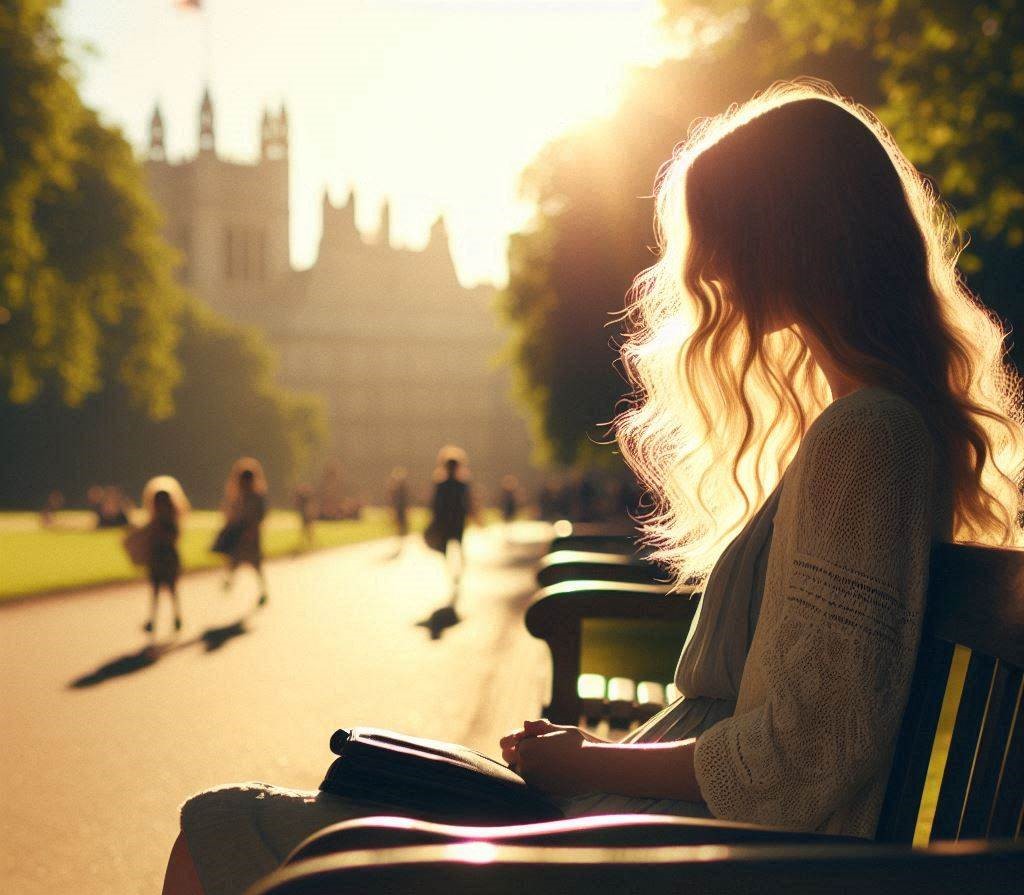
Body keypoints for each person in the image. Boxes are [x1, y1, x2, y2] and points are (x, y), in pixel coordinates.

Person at [161, 81, 1024, 895]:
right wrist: (583, 762)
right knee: (315, 798)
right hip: (672, 837)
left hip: (692, 860)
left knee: (226, 828)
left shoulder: (867, 438)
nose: (710, 271)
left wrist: (586, 762)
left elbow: (797, 762)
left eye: (726, 234)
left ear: (795, 236)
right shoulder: (867, 428)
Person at [140, 476, 190, 634]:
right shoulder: (154, 521)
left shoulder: (170, 521)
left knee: (172, 589)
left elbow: (172, 537)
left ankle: (176, 615)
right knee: (154, 590)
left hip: (168, 557)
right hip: (156, 558)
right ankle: (153, 619)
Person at [217, 457, 269, 608]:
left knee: (256, 564)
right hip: (239, 535)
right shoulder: (237, 497)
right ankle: (230, 580)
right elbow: (230, 512)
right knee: (234, 560)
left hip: (251, 536)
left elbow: (261, 514)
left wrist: (253, 529)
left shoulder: (257, 497)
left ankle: (262, 590)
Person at [426, 446, 474, 600]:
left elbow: (435, 505)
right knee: (459, 546)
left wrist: (433, 520)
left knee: (446, 549)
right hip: (458, 520)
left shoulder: (440, 484)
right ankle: (458, 572)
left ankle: (452, 573)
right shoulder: (462, 484)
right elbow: (468, 503)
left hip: (445, 522)